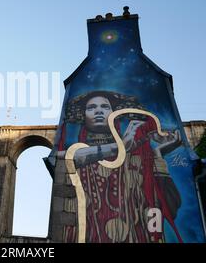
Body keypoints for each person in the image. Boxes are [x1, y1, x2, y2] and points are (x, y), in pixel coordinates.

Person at [57, 91, 183, 243]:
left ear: (113, 113)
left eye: (105, 106)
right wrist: (119, 147)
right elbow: (64, 158)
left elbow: (168, 208)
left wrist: (157, 154)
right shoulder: (76, 154)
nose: (98, 110)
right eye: (91, 108)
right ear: (83, 114)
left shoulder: (136, 159)